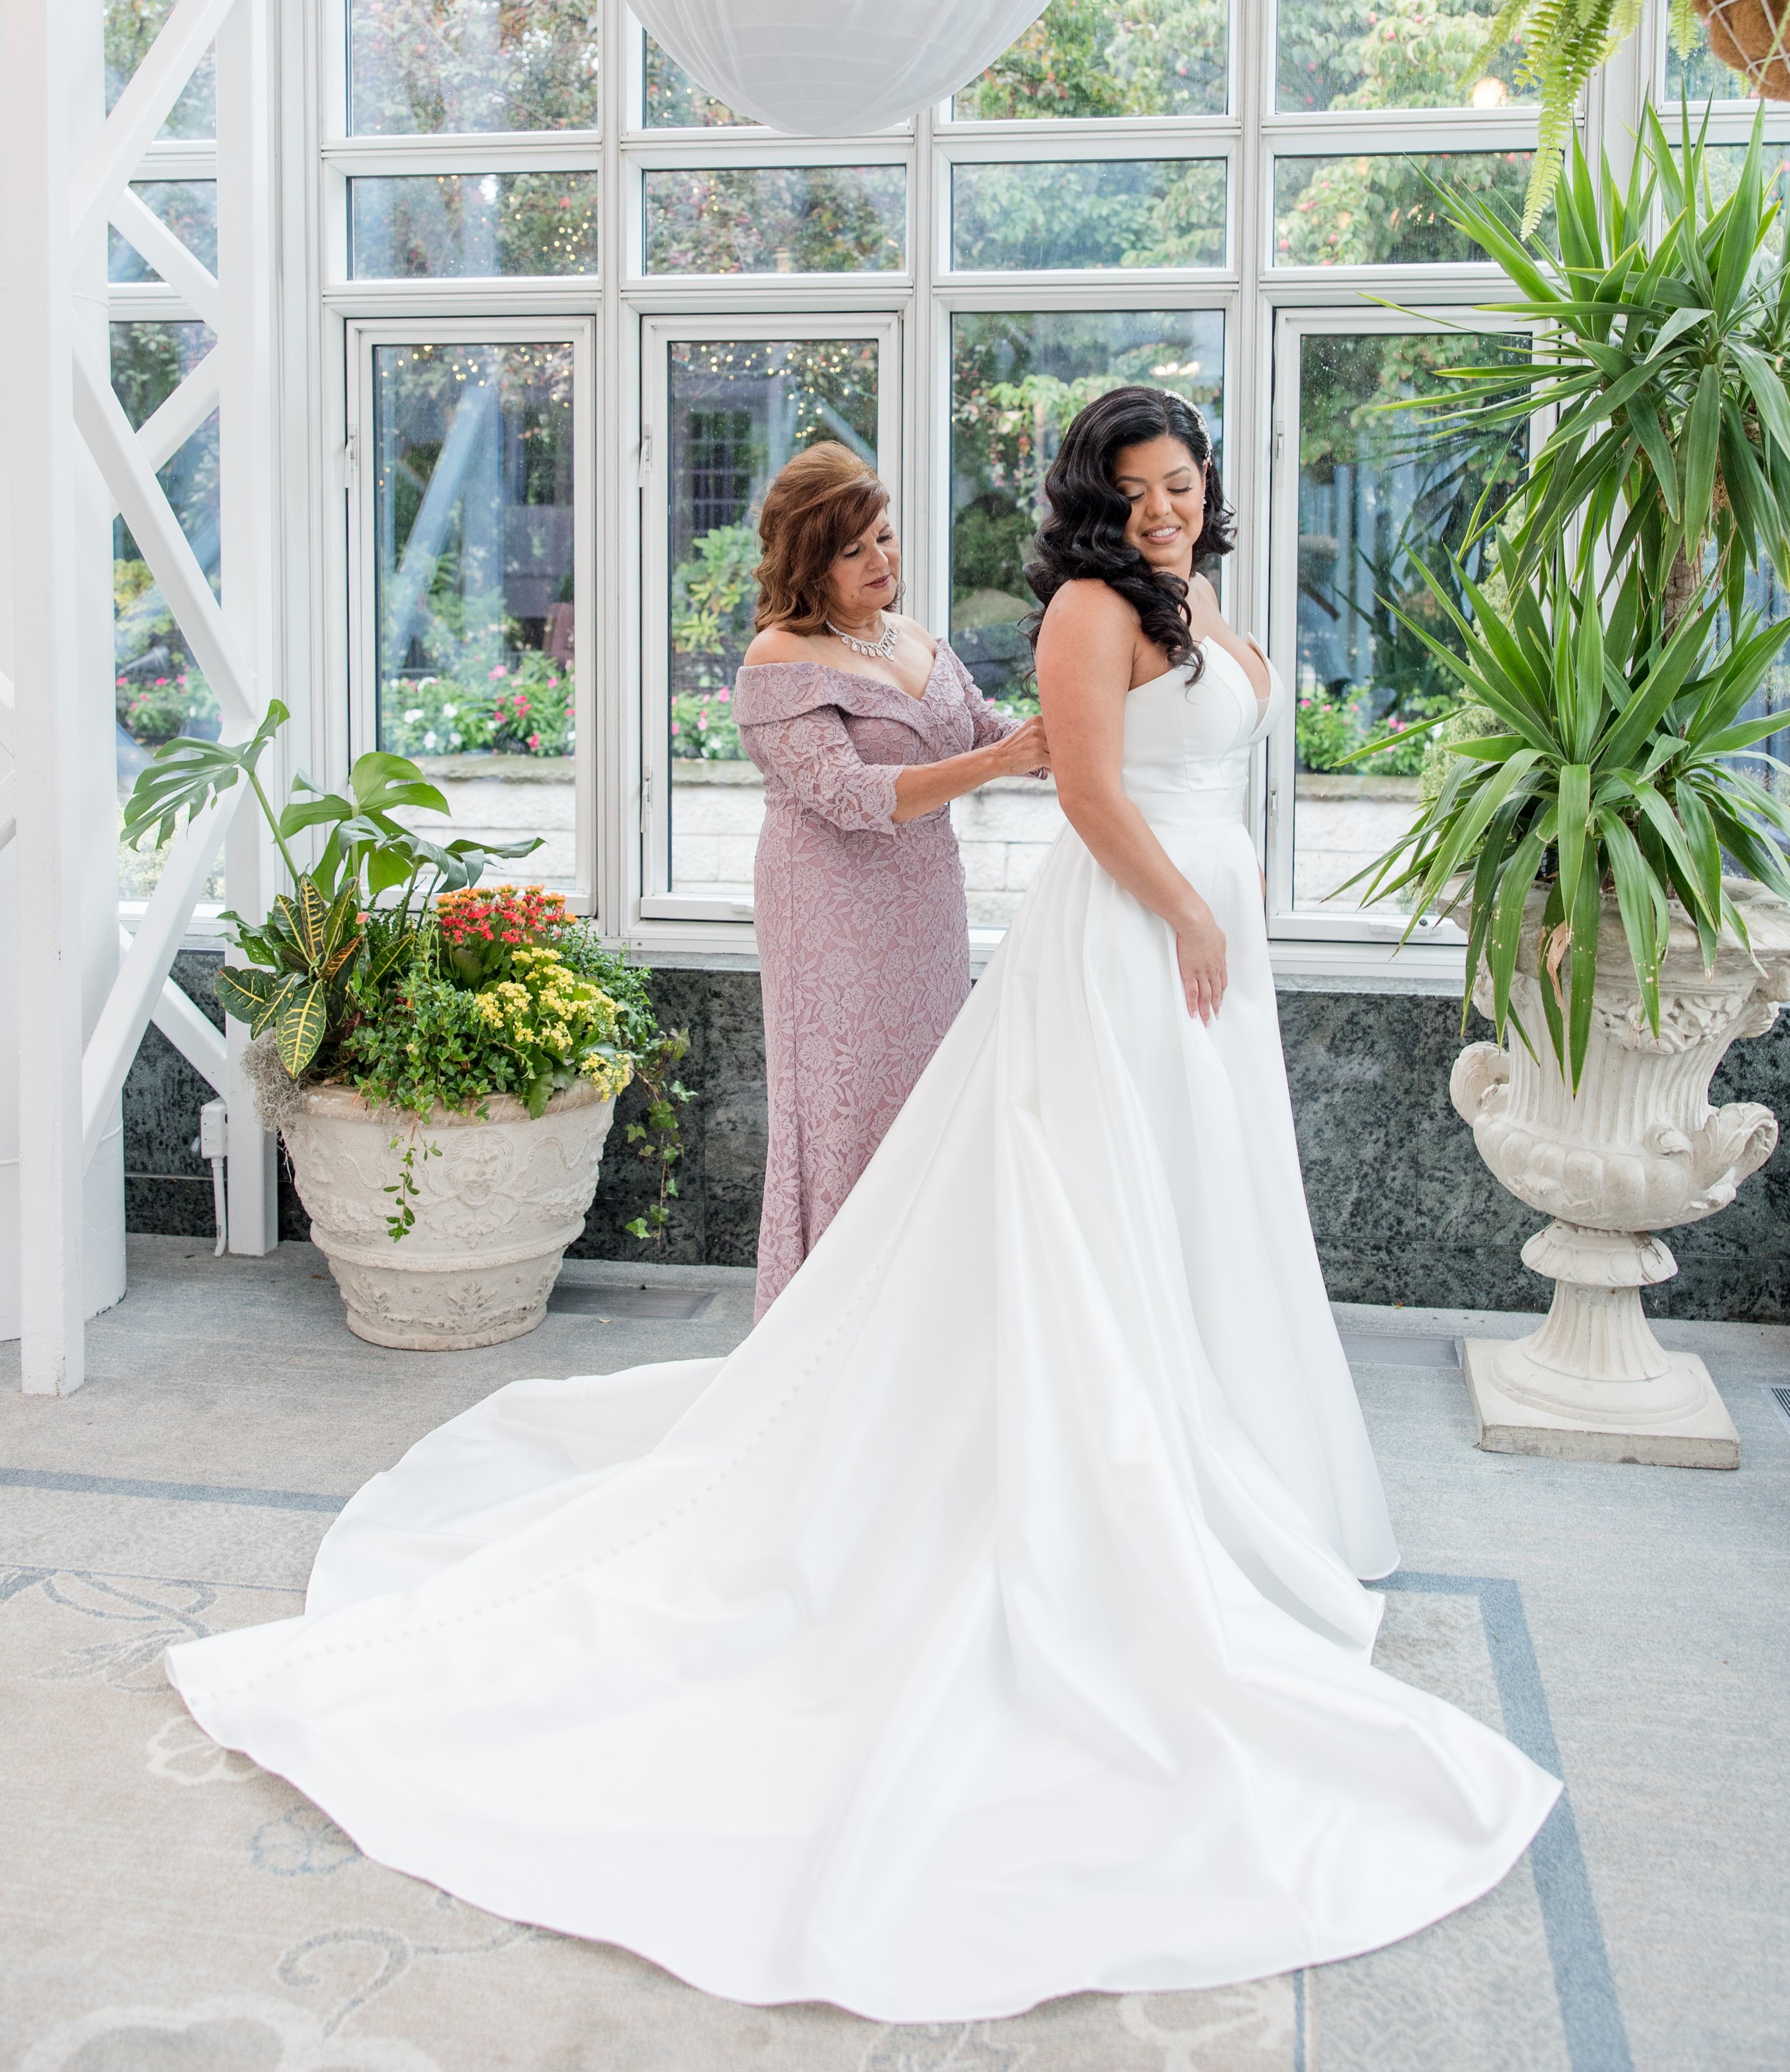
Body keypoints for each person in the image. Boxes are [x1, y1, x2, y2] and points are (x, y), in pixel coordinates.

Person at [165, 385, 1559, 2024]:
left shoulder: (1182, 605)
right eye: (1145, 485)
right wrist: (1183, 903)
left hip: (1163, 935)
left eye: (1187, 480)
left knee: (1186, 1209)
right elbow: (1082, 795)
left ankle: (1222, 1449)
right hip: (1117, 934)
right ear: (1098, 503)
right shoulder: (1084, 609)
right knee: (1044, 1203)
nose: (1171, 503)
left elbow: (1054, 745)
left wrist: (1202, 893)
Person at [733, 442, 1048, 1314]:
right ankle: (831, 1321)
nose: (881, 562)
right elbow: (848, 793)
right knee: (847, 1109)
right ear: (807, 559)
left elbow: (986, 727)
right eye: (852, 550)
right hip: (829, 913)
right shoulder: (778, 659)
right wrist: (998, 759)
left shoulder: (914, 638)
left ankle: (918, 1319)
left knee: (927, 1103)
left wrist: (1094, 726)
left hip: (925, 907)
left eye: (885, 538)